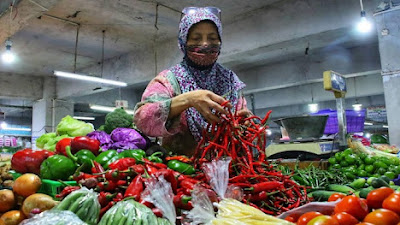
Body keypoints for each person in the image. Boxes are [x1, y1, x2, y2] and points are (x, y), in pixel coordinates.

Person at [134, 7, 251, 156]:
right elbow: (143, 120)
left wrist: (245, 125)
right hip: (182, 172)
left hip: (228, 170)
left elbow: (243, 120)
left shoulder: (230, 81)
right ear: (184, 41)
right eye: (196, 38)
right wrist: (188, 99)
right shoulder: (169, 80)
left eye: (212, 38)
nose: (205, 44)